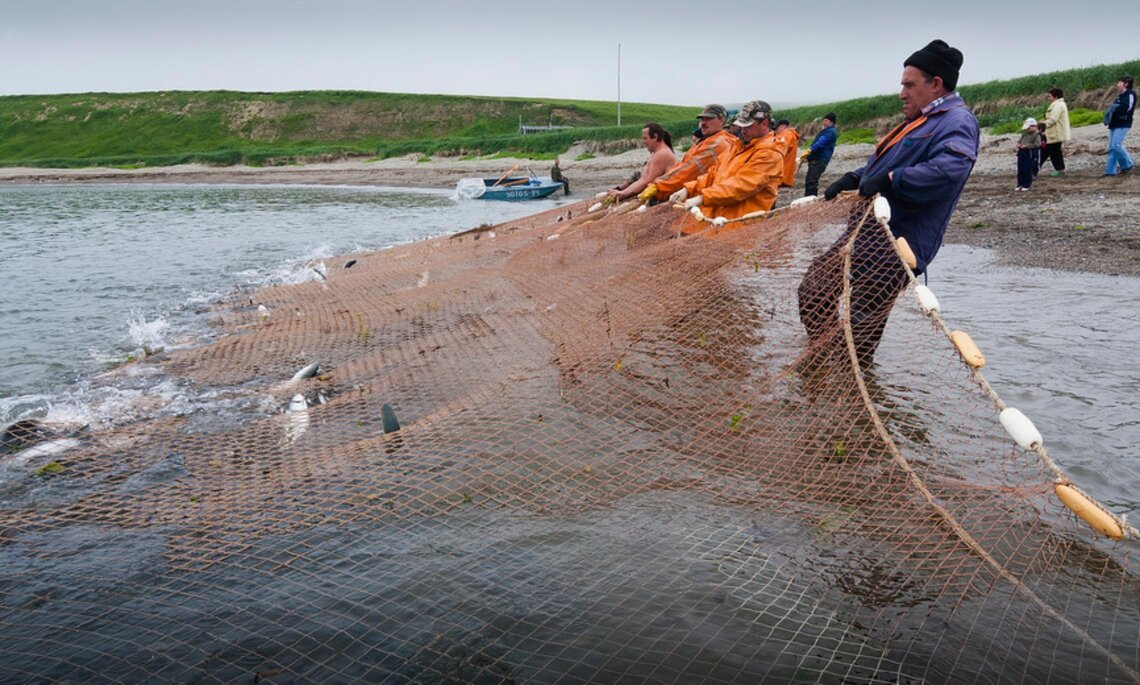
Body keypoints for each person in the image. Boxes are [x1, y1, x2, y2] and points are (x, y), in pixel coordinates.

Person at [801, 39, 979, 365]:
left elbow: (949, 170)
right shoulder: (919, 120)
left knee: (861, 328)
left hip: (897, 244)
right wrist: (855, 177)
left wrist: (892, 180)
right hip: (864, 235)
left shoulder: (957, 121)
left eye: (909, 85)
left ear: (936, 84)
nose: (901, 93)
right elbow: (882, 165)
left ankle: (849, 380)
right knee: (815, 287)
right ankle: (823, 357)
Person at [667, 100, 785, 227]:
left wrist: (702, 198)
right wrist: (688, 189)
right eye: (741, 125)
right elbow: (712, 174)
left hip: (740, 227)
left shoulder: (770, 154)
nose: (743, 130)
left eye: (748, 126)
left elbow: (741, 185)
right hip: (717, 220)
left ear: (765, 123)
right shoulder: (737, 146)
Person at [641, 104, 737, 203]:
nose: (703, 123)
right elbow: (684, 165)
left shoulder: (717, 144)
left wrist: (659, 185)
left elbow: (689, 170)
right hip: (693, 188)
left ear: (722, 120)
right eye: (702, 119)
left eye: (708, 119)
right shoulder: (709, 139)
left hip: (699, 193)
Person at [609, 122, 676, 201]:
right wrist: (622, 191)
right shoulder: (655, 153)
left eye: (645, 138)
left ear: (655, 137)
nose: (643, 141)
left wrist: (624, 194)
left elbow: (648, 181)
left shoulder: (662, 154)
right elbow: (642, 178)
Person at [1103, 75, 1136, 177]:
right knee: (1112, 148)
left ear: (1126, 84)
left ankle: (1127, 165)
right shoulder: (1120, 95)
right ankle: (1110, 171)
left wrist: (1115, 109)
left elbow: (1127, 108)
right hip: (1115, 123)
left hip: (1123, 123)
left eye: (1119, 83)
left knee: (1116, 145)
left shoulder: (1130, 94)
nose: (1117, 85)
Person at [802, 113, 838, 197]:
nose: (823, 122)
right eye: (823, 120)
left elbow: (821, 142)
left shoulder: (830, 131)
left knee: (812, 182)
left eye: (826, 120)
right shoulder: (827, 131)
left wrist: (810, 150)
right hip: (815, 160)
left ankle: (810, 200)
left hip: (819, 160)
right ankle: (809, 199)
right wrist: (808, 156)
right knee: (809, 181)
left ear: (831, 122)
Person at [1042, 87, 1070, 176]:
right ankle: (1060, 169)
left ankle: (1032, 170)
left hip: (1055, 134)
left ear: (1056, 96)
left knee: (1044, 152)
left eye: (1050, 96)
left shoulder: (1058, 105)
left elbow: (1053, 119)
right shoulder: (1059, 104)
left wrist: (1042, 125)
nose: (1048, 98)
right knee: (1055, 152)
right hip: (1056, 133)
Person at [773, 119, 801, 188]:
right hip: (783, 172)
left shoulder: (787, 133)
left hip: (782, 172)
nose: (776, 131)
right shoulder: (788, 134)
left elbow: (779, 147)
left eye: (777, 128)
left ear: (783, 126)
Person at [1016, 117, 1041, 191]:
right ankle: (1020, 184)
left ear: (1034, 126)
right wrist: (1019, 145)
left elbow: (1037, 144)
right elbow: (1019, 141)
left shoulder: (1036, 135)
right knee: (1020, 169)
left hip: (1029, 154)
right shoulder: (1024, 134)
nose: (1027, 129)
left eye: (1029, 128)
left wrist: (1027, 146)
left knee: (1027, 169)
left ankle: (1027, 184)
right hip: (1021, 153)